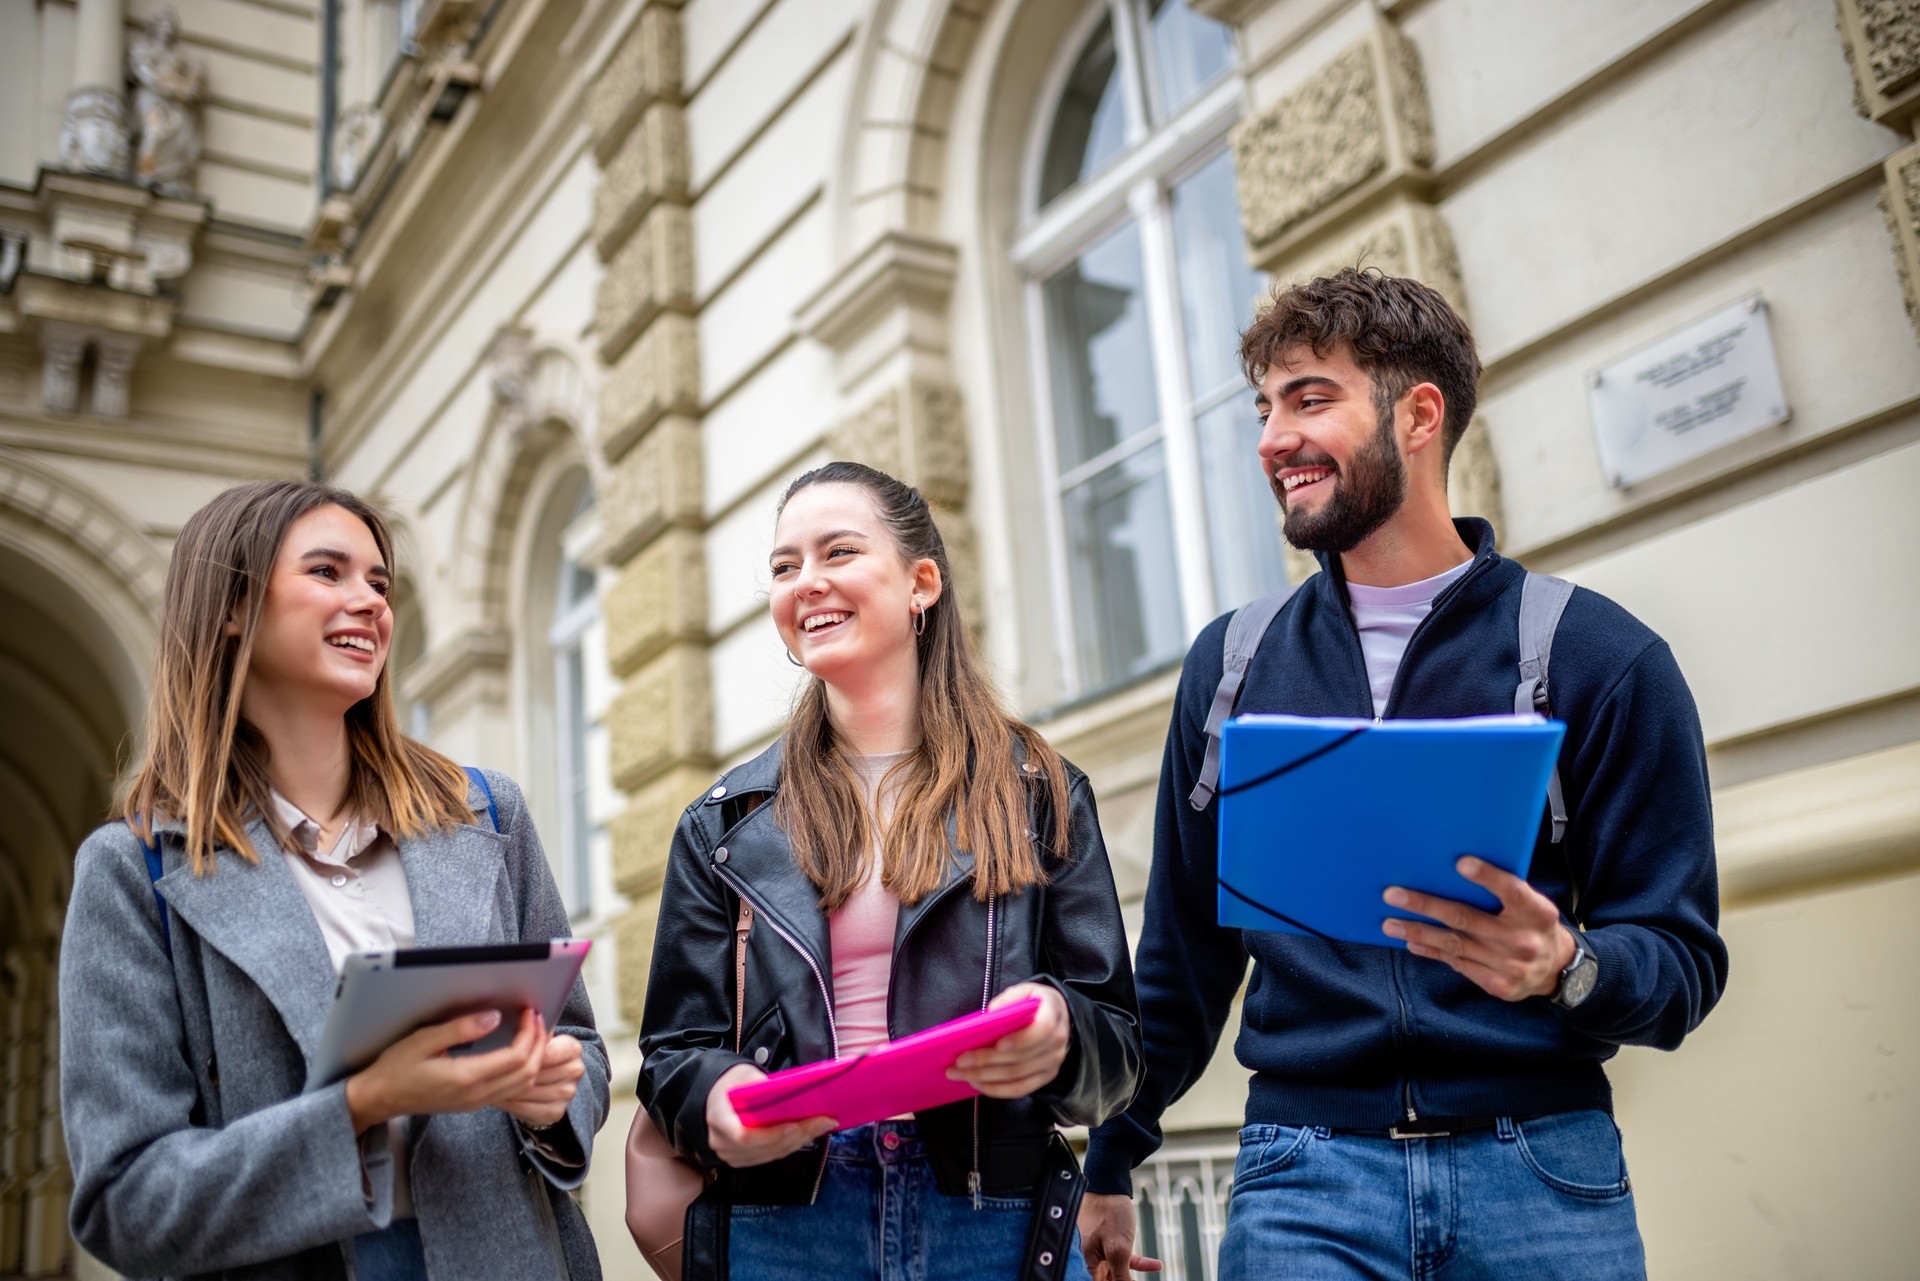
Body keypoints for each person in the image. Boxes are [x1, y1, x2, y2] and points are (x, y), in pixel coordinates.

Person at [1077, 269, 1730, 1281]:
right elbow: (1182, 960)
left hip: (1544, 1172)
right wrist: (1114, 1156)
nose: (1270, 440)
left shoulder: (1597, 658)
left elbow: (1683, 966)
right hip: (1303, 1178)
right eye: (1264, 408)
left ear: (1417, 414)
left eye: (1309, 399)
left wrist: (1566, 967)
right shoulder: (1232, 667)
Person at [61, 480, 610, 1280]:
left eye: (379, 583)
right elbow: (127, 1200)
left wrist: (556, 1095)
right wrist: (363, 1103)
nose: (370, 602)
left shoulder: (487, 815)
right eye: (328, 572)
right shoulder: (130, 870)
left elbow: (582, 1044)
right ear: (232, 607)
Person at [637, 461, 1143, 1281]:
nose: (807, 582)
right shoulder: (722, 823)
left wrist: (1059, 1029)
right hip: (791, 1220)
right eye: (783, 566)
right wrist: (716, 1099)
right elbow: (673, 1049)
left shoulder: (1039, 791)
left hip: (990, 1215)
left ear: (921, 583)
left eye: (837, 552)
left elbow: (1118, 1049)